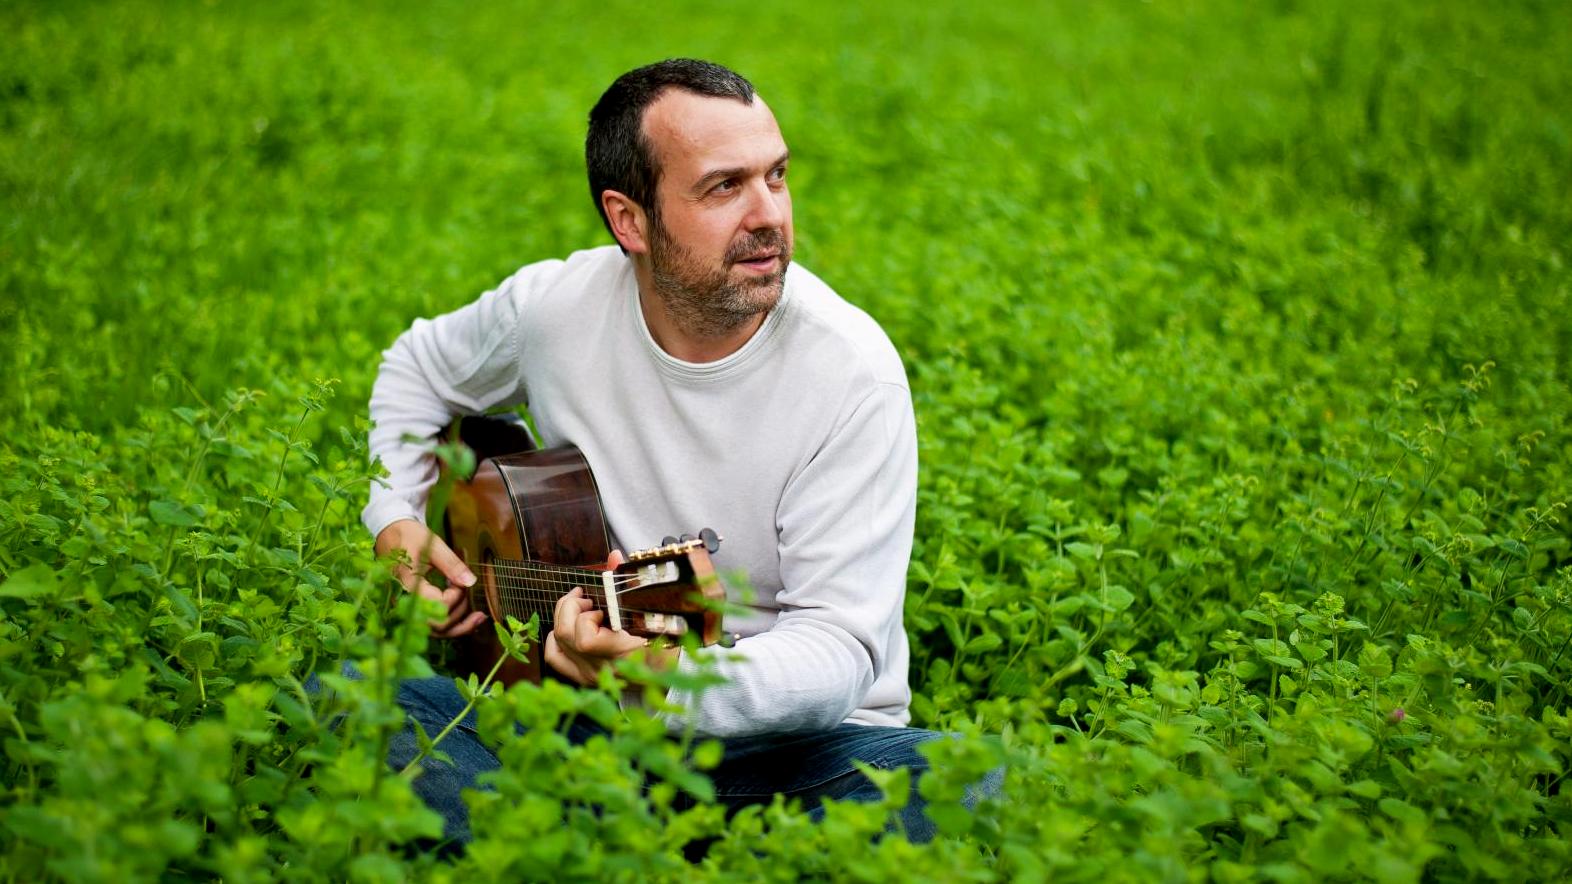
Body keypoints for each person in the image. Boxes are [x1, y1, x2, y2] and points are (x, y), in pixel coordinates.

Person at [364, 58, 975, 846]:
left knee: (974, 782)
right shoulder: (555, 311)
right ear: (631, 221)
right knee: (349, 699)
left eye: (777, 177)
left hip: (796, 756)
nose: (769, 215)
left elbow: (838, 650)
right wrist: (396, 515)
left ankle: (557, 841)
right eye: (724, 187)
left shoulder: (851, 375)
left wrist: (663, 683)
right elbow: (415, 369)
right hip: (575, 720)